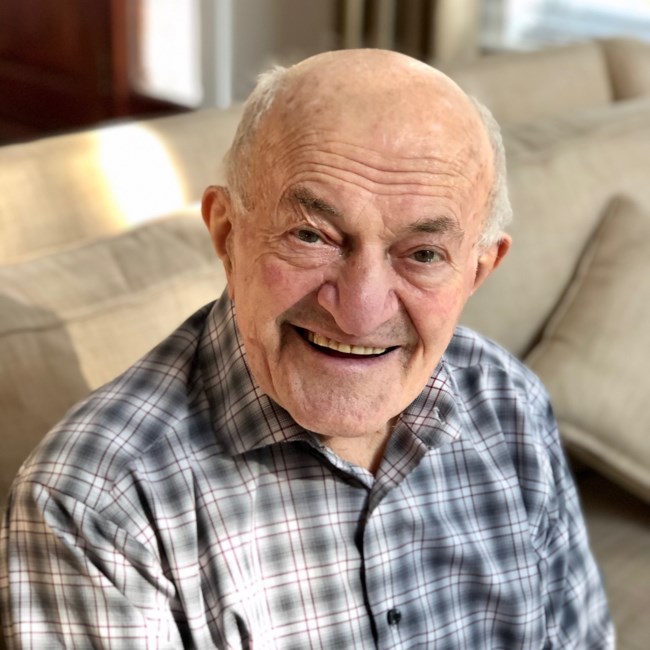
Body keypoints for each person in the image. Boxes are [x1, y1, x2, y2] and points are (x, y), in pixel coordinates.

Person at [0, 49, 613, 649]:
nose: (361, 311)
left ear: (477, 272)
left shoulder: (510, 402)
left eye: (423, 253)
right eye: (312, 235)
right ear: (227, 235)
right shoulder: (94, 505)